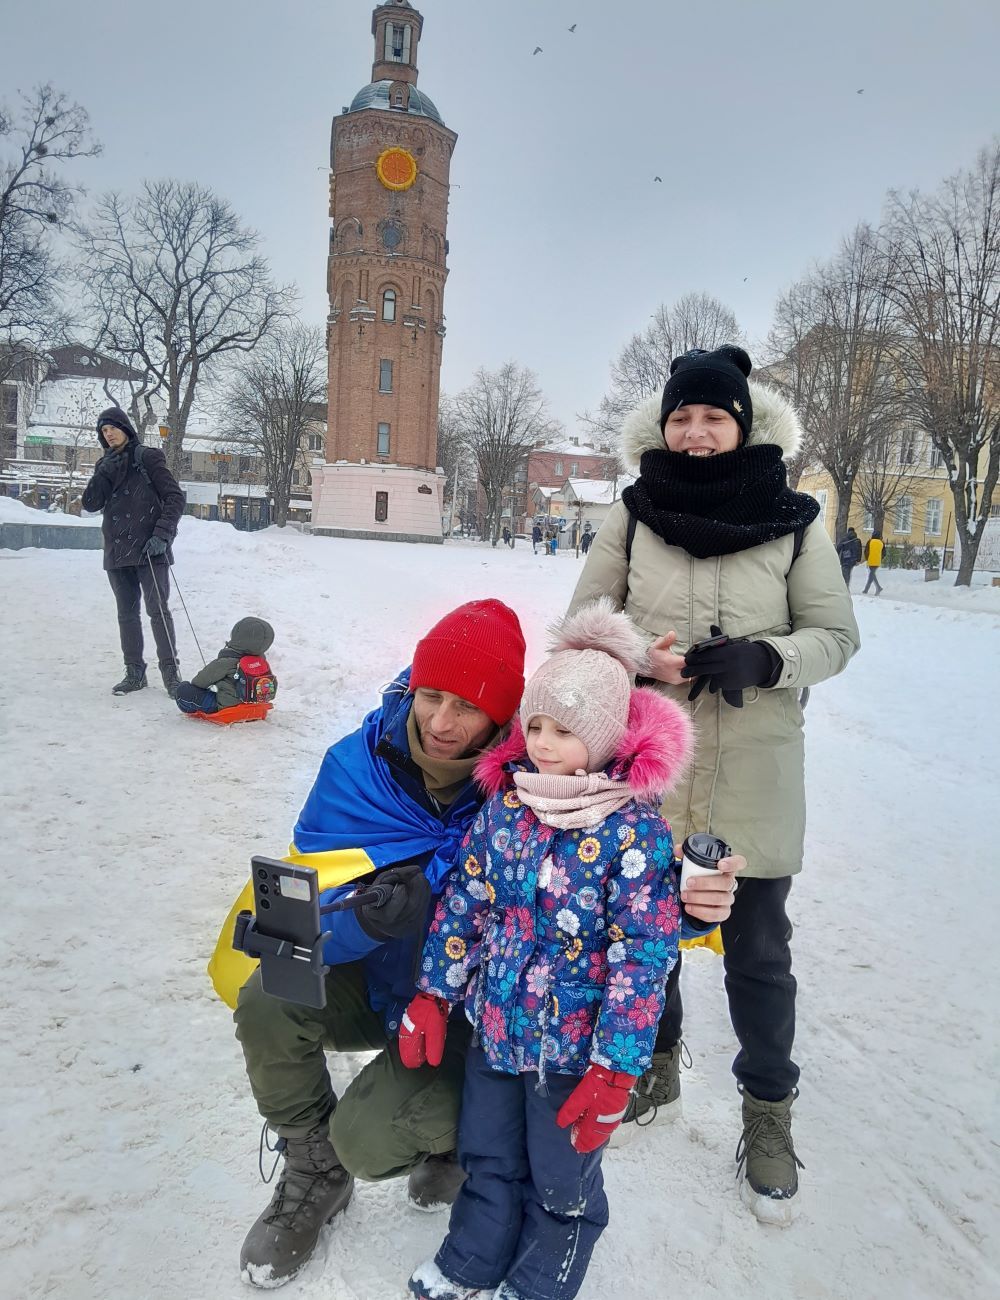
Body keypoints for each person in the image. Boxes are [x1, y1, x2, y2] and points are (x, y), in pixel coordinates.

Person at [568, 345, 860, 1223]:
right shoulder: (632, 514)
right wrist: (637, 654)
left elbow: (836, 635)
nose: (696, 433)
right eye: (682, 418)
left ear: (743, 424)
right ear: (663, 427)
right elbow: (581, 624)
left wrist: (769, 656)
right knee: (645, 935)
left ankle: (767, 1116)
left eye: (714, 417)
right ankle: (654, 1064)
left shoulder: (796, 519)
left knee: (758, 952)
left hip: (756, 769)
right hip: (654, 762)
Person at [404, 601, 740, 1300]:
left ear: (608, 736)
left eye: (565, 730)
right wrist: (436, 992)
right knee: (489, 1157)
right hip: (497, 1030)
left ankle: (543, 1280)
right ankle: (473, 1258)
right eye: (535, 726)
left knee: (563, 1177)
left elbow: (642, 958)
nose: (545, 745)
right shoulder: (506, 806)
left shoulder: (633, 832)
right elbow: (467, 903)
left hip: (572, 1050)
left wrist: (616, 1069)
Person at [230, 600, 527, 1289]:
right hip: (372, 979)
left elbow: (594, 905)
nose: (442, 723)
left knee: (369, 1138)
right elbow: (299, 922)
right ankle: (313, 1170)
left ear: (504, 717)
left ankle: (455, 1139)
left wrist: (689, 911)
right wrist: (366, 921)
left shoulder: (530, 788)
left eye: (467, 707)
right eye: (430, 696)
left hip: (465, 1015)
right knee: (268, 999)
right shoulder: (355, 767)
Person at [81, 407, 186, 697]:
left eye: (112, 427)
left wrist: (162, 535)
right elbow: (90, 503)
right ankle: (134, 673)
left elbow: (174, 497)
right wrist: (101, 472)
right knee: (126, 615)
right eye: (103, 431)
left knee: (158, 612)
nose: (109, 433)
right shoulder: (105, 464)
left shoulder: (147, 457)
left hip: (149, 549)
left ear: (125, 428)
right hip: (117, 551)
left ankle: (171, 675)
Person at [174, 616, 276, 715]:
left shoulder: (226, 662)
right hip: (257, 705)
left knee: (183, 689)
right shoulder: (262, 662)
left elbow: (199, 682)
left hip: (227, 708)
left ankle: (194, 710)